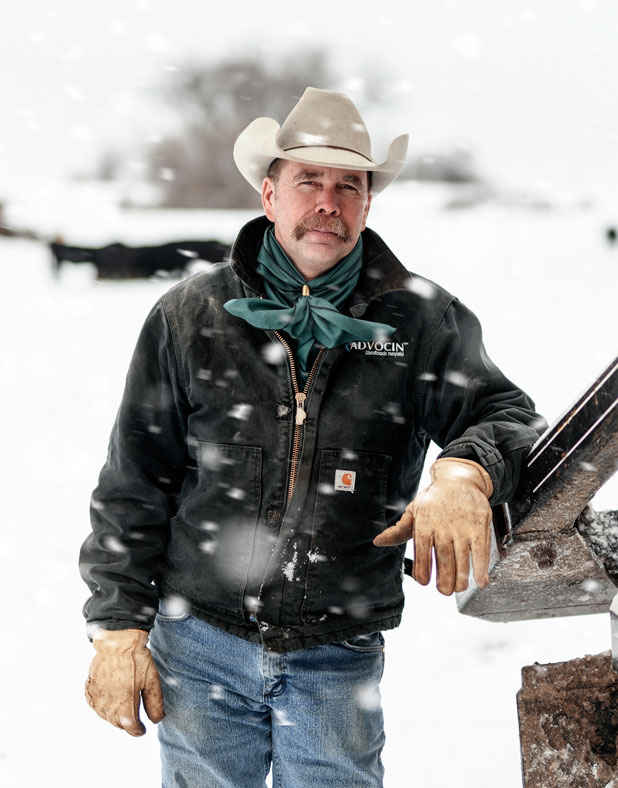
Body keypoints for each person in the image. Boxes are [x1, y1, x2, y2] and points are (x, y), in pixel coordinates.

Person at [79, 87, 545, 787]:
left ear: (365, 205)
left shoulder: (418, 321)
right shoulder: (190, 316)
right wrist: (118, 627)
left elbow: (508, 417)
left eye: (348, 186)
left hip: (336, 654)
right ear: (270, 196)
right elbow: (134, 482)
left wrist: (464, 474)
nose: (328, 201)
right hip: (199, 644)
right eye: (309, 182)